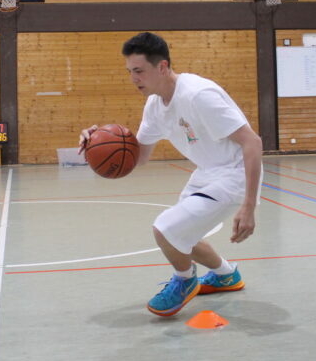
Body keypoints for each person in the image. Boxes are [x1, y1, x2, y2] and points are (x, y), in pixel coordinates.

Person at [79, 32, 263, 317]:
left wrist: (248, 206)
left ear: (162, 66)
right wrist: (97, 142)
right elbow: (138, 158)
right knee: (182, 235)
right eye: (130, 72)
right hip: (207, 172)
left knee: (166, 228)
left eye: (139, 71)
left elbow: (252, 142)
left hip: (234, 174)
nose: (133, 79)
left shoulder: (198, 95)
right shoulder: (155, 105)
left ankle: (185, 280)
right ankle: (226, 275)